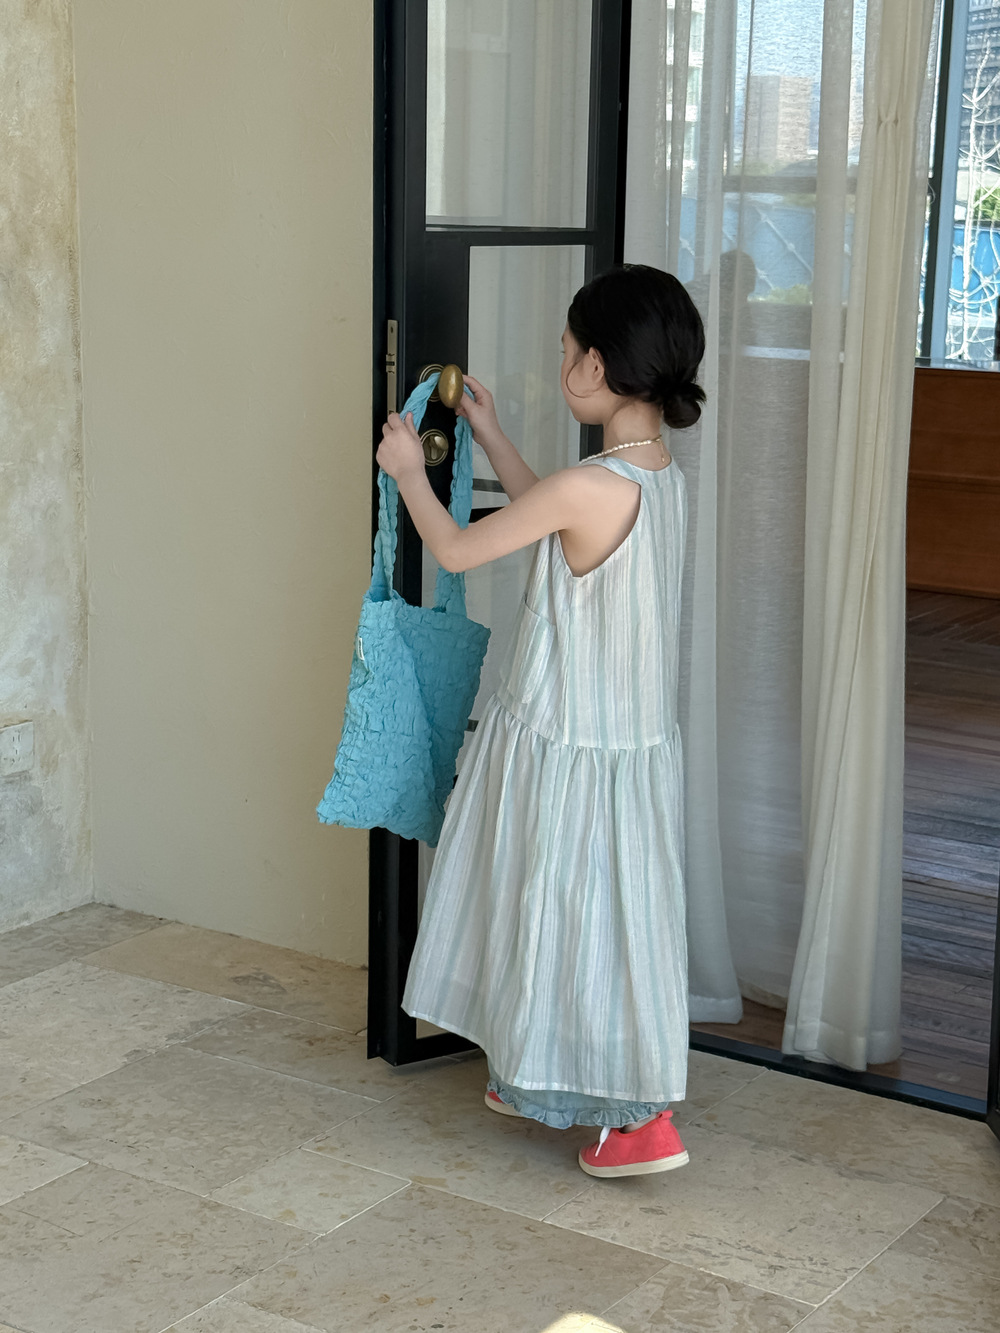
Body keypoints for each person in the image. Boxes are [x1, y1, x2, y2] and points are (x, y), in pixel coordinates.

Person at [376, 263, 705, 1178]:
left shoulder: (591, 486)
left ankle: (637, 1120)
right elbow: (553, 514)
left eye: (567, 350)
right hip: (622, 749)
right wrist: (490, 432)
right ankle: (556, 1077)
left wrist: (409, 472)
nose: (563, 363)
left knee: (560, 914)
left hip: (568, 741)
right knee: (602, 921)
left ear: (595, 366)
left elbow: (456, 548)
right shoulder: (658, 477)